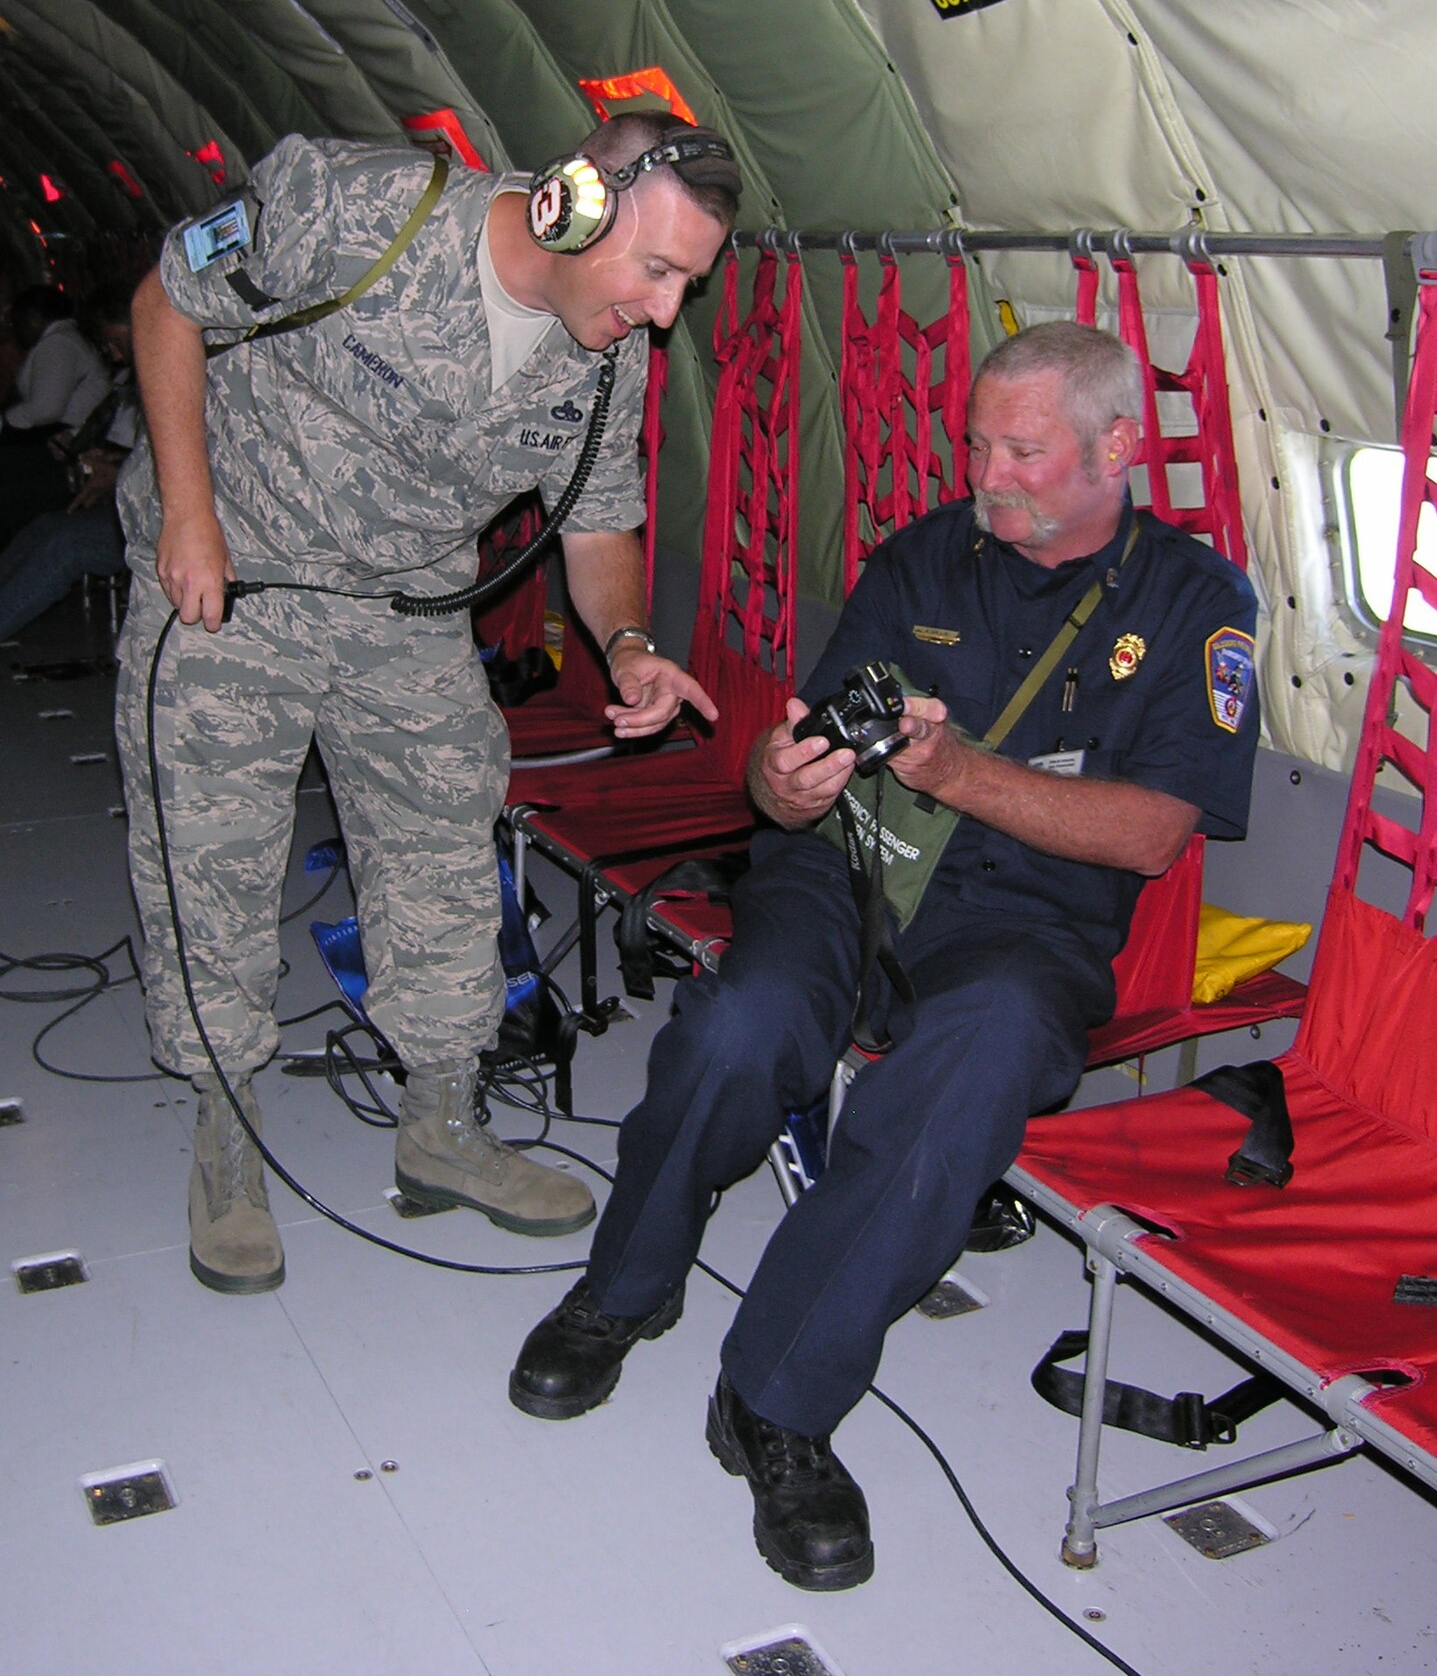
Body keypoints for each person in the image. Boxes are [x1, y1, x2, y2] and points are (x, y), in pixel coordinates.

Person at [509, 321, 1260, 1592]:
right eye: (976, 441)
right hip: (849, 870)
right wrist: (780, 783)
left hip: (1029, 922)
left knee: (975, 1067)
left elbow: (1153, 832)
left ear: (1117, 444)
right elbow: (788, 764)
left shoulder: (1196, 605)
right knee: (740, 1021)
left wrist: (962, 770)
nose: (989, 472)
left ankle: (777, 1397)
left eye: (1022, 450)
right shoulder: (920, 561)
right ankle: (625, 1286)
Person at [113, 113, 740, 1296]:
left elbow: (599, 519)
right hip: (231, 580)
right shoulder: (357, 206)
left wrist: (631, 642)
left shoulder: (607, 352)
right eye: (657, 271)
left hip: (403, 610)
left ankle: (441, 1121)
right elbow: (166, 303)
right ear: (571, 208)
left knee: (447, 848)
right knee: (209, 859)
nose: (666, 310)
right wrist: (189, 516)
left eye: (687, 284)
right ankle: (226, 1134)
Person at [0, 285, 137, 643]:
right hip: (132, 497)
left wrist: (119, 471)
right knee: (47, 526)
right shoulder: (137, 380)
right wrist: (117, 461)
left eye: (112, 341)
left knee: (67, 543)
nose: (110, 353)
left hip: (160, 521)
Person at [0, 285, 113, 547]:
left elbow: (45, 409)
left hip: (69, 447)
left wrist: (4, 422)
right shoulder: (61, 340)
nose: (16, 329)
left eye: (18, 322)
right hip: (65, 440)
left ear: (35, 318)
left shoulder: (60, 343)